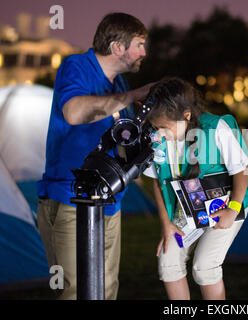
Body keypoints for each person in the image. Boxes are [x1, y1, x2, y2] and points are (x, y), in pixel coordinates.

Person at [36, 12, 154, 300]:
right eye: (139, 44)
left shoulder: (121, 84)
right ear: (117, 47)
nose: (144, 52)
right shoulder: (75, 66)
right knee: (74, 291)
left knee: (106, 289)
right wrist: (132, 96)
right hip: (69, 198)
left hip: (110, 199)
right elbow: (74, 112)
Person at [142, 77, 248, 300]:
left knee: (205, 266)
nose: (160, 133)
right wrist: (166, 224)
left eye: (164, 127)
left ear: (186, 116)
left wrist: (232, 209)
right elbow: (157, 181)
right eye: (156, 127)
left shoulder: (216, 128)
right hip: (187, 213)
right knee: (168, 260)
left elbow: (242, 171)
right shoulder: (158, 140)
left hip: (224, 207)